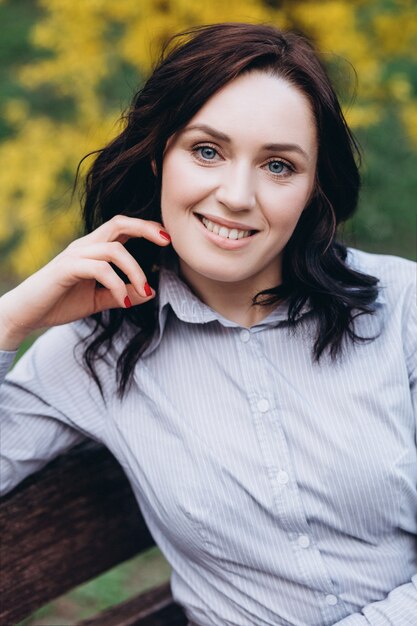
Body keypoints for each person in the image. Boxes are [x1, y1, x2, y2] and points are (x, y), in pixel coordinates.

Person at [0, 22, 416, 626]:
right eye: (207, 151)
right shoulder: (97, 350)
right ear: (156, 155)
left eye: (278, 165)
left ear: (312, 189)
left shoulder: (401, 307)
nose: (237, 195)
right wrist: (12, 317)